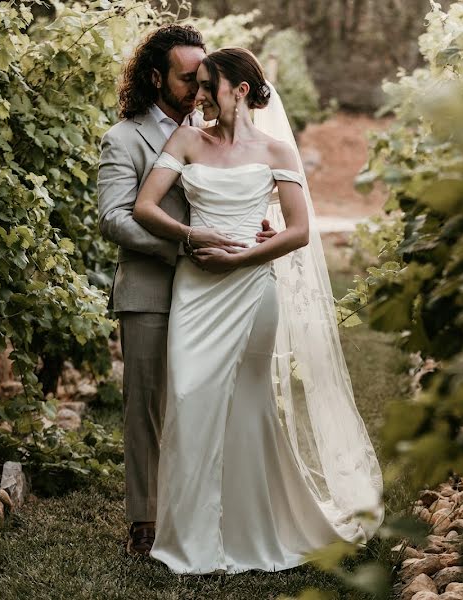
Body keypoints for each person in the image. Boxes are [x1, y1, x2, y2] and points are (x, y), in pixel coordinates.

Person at [132, 47, 383, 574]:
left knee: (249, 407)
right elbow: (145, 207)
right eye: (196, 85)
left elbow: (298, 231)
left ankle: (249, 531)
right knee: (188, 396)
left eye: (207, 86)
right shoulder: (186, 140)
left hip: (251, 289)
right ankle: (190, 539)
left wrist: (243, 257)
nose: (197, 96)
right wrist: (190, 233)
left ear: (239, 90)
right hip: (197, 290)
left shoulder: (276, 152)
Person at [97, 25, 275, 556]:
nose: (198, 88)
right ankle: (146, 522)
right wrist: (181, 248)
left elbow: (235, 196)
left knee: (208, 401)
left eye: (203, 78)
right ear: (156, 77)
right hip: (153, 288)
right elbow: (113, 219)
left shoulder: (215, 130)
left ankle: (205, 511)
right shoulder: (123, 138)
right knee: (148, 408)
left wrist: (253, 232)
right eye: (187, 78)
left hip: (219, 289)